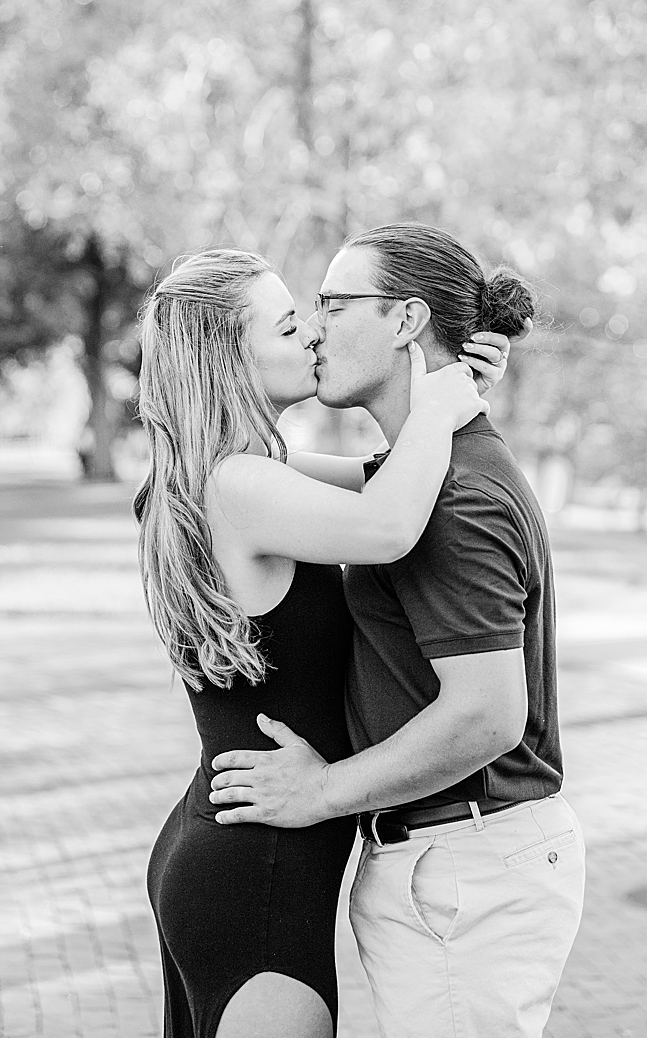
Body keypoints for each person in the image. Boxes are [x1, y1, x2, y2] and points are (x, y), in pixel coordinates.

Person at [204, 222, 584, 1038]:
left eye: (335, 305)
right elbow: (250, 475)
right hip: (447, 864)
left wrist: (323, 794)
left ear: (406, 322)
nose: (315, 327)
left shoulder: (457, 499)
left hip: (470, 868)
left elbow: (487, 713)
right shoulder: (415, 476)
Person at [138, 247, 508, 1037]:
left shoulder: (232, 472)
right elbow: (388, 523)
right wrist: (440, 410)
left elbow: (391, 474)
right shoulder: (240, 486)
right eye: (286, 324)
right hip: (259, 871)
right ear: (228, 355)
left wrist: (457, 392)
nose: (311, 334)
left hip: (235, 849)